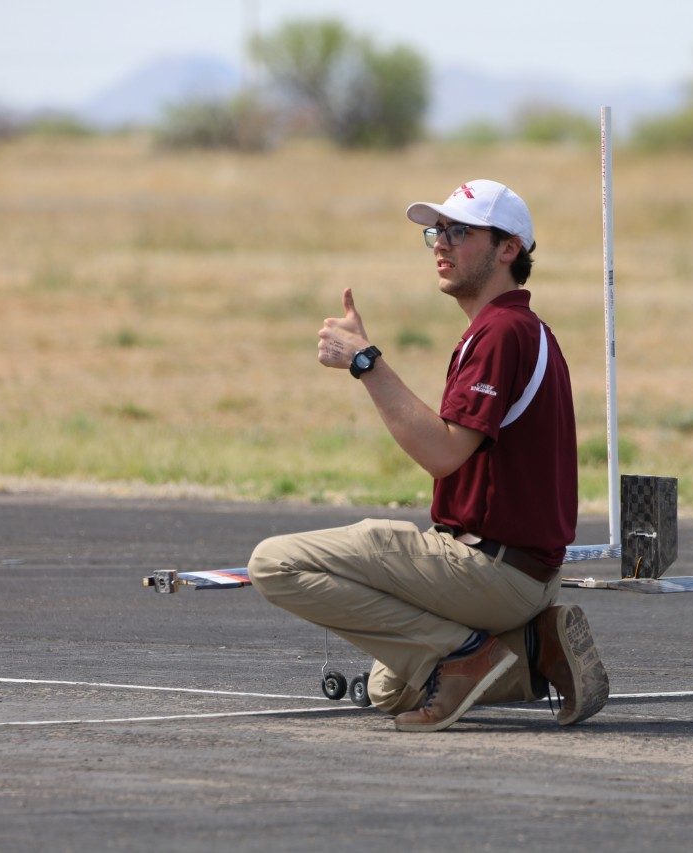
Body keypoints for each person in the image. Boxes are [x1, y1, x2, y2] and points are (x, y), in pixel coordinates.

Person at [248, 179, 608, 733]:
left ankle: (468, 653)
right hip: (524, 576)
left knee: (275, 564)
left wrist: (365, 362)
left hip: (490, 569)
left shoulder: (501, 332)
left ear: (508, 248)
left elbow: (442, 454)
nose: (442, 243)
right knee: (387, 690)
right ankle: (533, 651)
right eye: (436, 231)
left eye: (460, 231)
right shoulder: (518, 329)